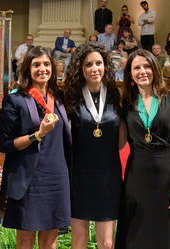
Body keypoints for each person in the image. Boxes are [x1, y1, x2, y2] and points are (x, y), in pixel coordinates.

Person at [115, 49, 170, 249]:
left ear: (155, 69)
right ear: (130, 74)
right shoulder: (126, 104)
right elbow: (121, 143)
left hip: (169, 179)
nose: (143, 71)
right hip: (137, 180)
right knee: (137, 236)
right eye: (136, 68)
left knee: (169, 235)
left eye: (147, 66)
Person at [0, 46, 72, 249]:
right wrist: (37, 135)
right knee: (25, 241)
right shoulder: (15, 100)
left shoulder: (59, 98)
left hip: (57, 178)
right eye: (36, 64)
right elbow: (4, 144)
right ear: (27, 69)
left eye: (46, 64)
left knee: (50, 241)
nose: (42, 69)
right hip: (29, 180)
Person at [63, 42, 125, 249]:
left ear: (105, 65)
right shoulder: (71, 97)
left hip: (109, 175)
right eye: (88, 64)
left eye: (98, 63)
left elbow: (122, 140)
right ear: (81, 69)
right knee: (79, 241)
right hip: (79, 175)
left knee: (107, 243)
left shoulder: (116, 96)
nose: (94, 69)